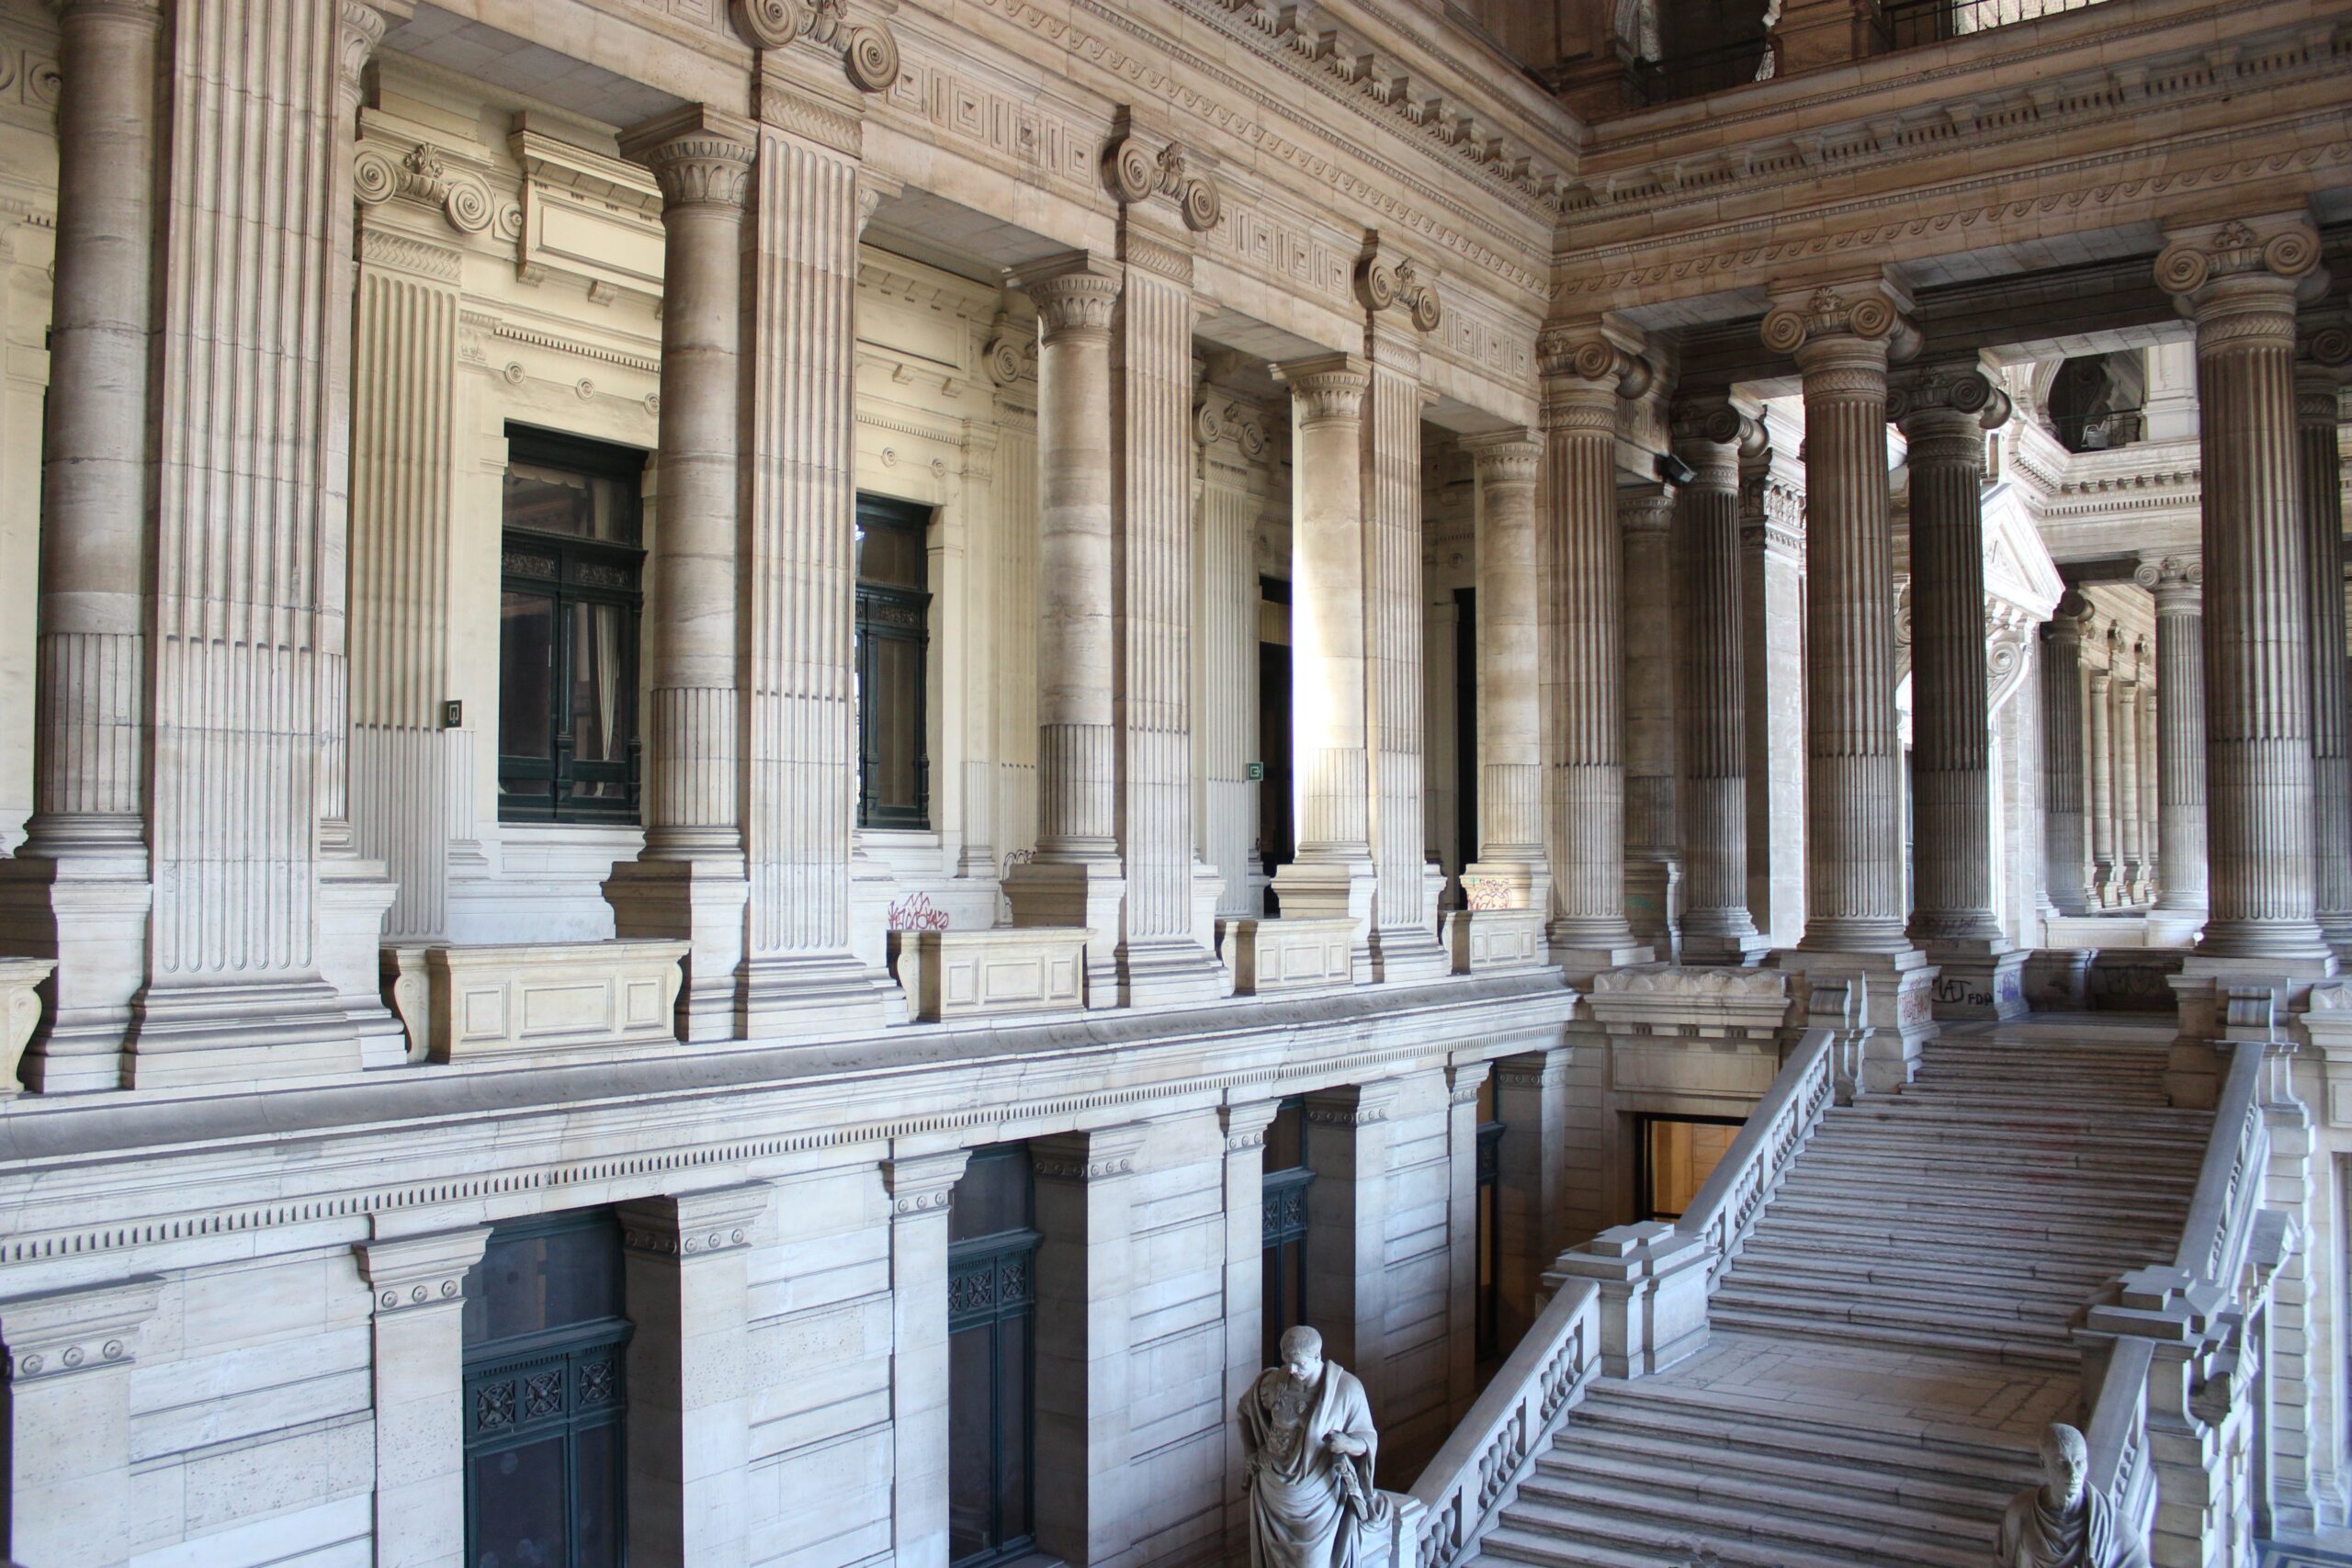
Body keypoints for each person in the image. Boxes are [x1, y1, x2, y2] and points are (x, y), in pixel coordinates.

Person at [1236, 1325, 1391, 1568]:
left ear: (1317, 1357)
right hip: (1272, 1494)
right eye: (1288, 1362)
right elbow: (1244, 1410)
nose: (1293, 1370)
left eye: (1299, 1364)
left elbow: (1367, 1439)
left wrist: (1347, 1443)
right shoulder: (1277, 1381)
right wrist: (1251, 1455)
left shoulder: (1346, 1389)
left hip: (1318, 1501)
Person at [1996, 1422, 2152, 1568]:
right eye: (2062, 1464)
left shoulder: (2116, 1526)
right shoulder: (2020, 1511)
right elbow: (2003, 1563)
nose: (2073, 1474)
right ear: (2044, 1464)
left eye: (2079, 1463)